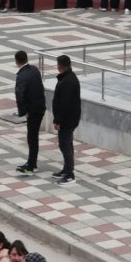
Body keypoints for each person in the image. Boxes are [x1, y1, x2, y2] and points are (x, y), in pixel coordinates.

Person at [14, 50, 47, 174]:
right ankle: (32, 163)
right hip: (40, 107)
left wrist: (23, 112)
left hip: (33, 111)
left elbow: (20, 95)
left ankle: (32, 165)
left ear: (16, 61)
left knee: (32, 137)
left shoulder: (21, 76)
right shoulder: (34, 70)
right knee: (33, 136)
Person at [52, 54, 81, 185]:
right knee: (66, 144)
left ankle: (70, 175)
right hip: (69, 119)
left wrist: (58, 121)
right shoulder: (68, 77)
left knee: (65, 145)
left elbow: (64, 104)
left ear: (60, 66)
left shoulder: (67, 81)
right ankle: (66, 169)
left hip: (67, 120)